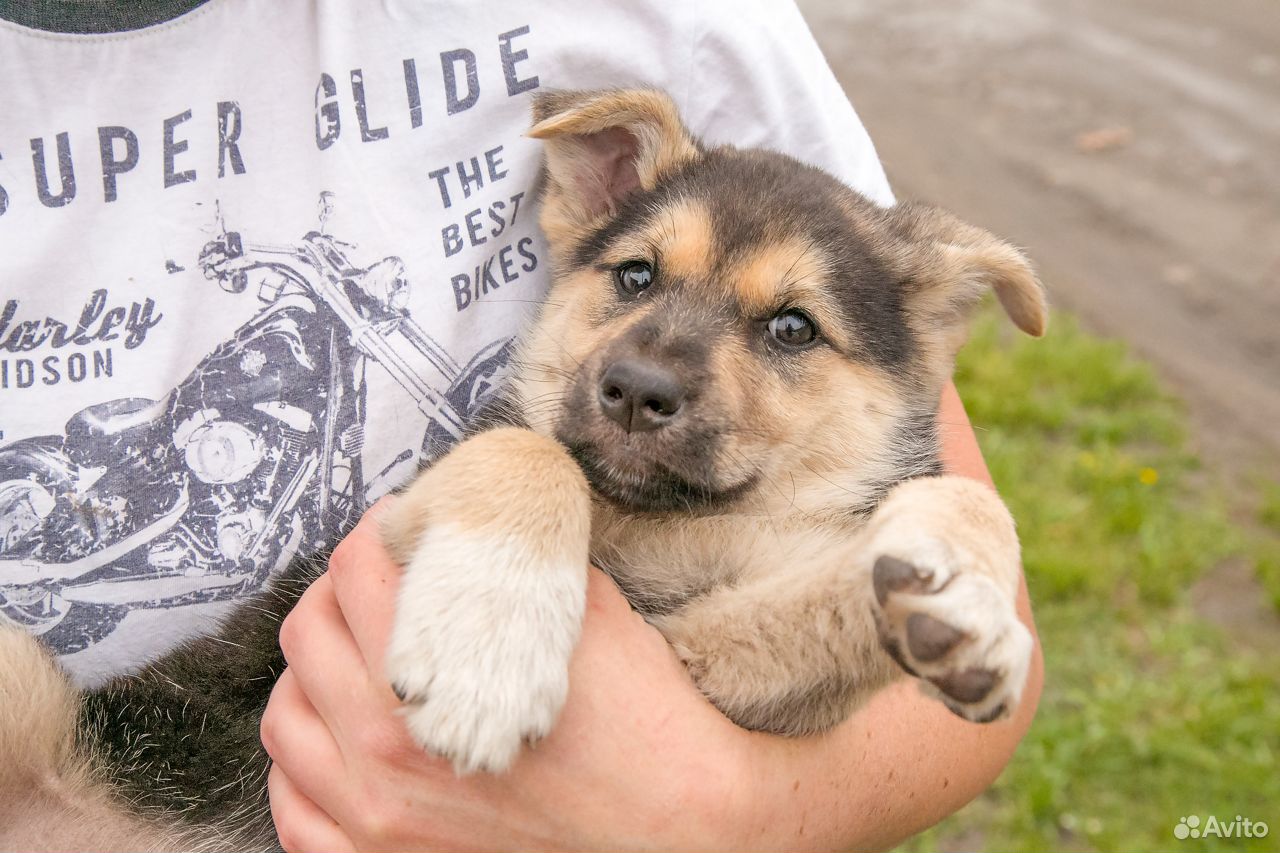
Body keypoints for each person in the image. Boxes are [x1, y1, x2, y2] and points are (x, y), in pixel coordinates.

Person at [0, 1, 1042, 849]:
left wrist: (724, 812)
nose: (648, 369)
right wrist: (517, 494)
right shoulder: (523, 461)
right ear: (593, 200)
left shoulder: (684, 25)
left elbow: (806, 667)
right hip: (104, 783)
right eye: (634, 276)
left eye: (785, 325)